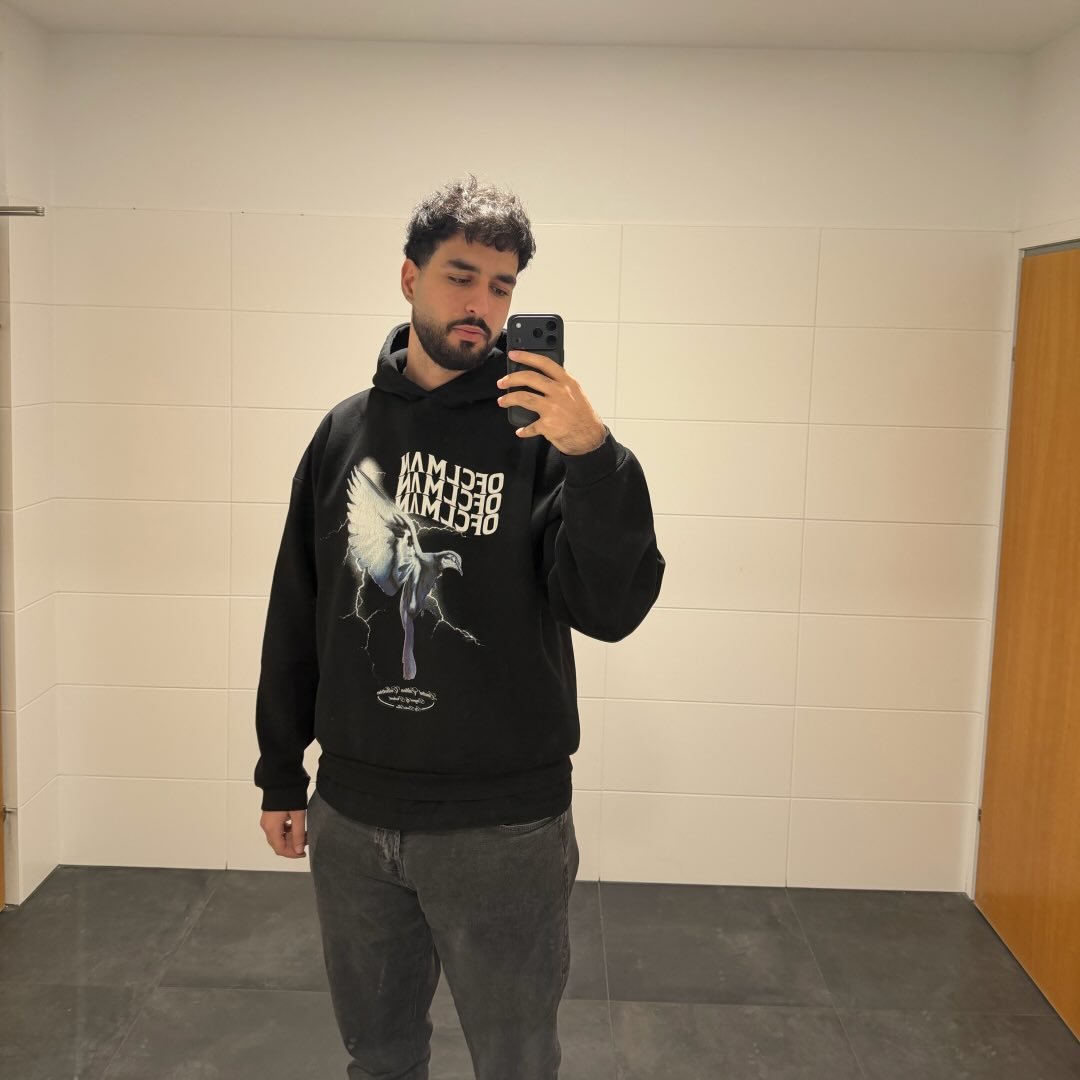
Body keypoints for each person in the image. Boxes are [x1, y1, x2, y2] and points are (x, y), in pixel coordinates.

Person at [254, 174, 665, 1080]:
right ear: (410, 278)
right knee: (379, 1057)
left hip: (502, 828)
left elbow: (611, 609)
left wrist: (595, 457)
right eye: (461, 277)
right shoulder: (343, 434)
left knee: (515, 1061)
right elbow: (297, 609)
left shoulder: (544, 440)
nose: (482, 305)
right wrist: (281, 769)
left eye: (503, 287)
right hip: (354, 815)